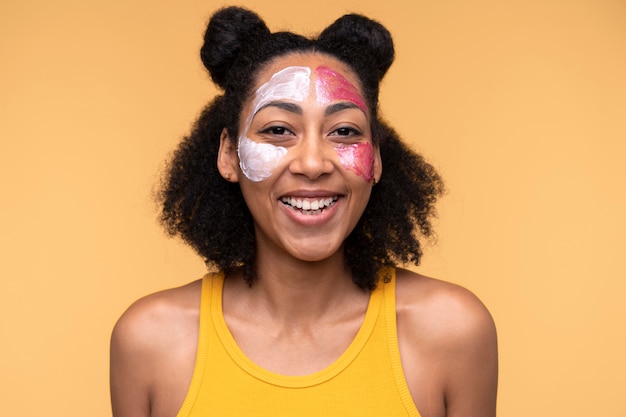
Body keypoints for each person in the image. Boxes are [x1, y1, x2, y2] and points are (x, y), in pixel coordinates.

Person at [110, 6, 498, 417]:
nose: (312, 163)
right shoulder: (150, 342)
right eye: (278, 130)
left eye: (344, 132)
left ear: (377, 158)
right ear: (228, 154)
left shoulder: (452, 332)